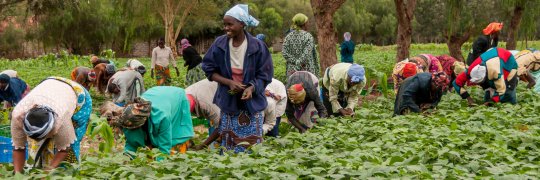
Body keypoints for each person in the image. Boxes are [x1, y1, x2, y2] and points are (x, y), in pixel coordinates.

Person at [201, 4, 273, 153]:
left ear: (242, 24)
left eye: (230, 24)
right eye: (225, 24)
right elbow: (208, 68)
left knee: (251, 147)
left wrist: (252, 87)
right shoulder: (219, 44)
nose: (226, 28)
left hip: (252, 105)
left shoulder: (258, 47)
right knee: (228, 145)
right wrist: (228, 82)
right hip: (229, 103)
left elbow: (265, 75)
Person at [11, 77, 92, 173]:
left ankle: (67, 172)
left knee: (71, 144)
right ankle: (40, 167)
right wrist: (17, 175)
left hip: (77, 95)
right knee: (38, 146)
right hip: (49, 86)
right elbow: (18, 148)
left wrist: (47, 173)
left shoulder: (62, 119)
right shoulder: (18, 115)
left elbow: (64, 149)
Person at [100, 86, 194, 156]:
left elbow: (164, 147)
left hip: (175, 97)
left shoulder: (161, 117)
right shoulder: (128, 117)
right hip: (155, 93)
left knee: (176, 134)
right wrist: (127, 160)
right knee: (149, 142)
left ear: (143, 123)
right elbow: (131, 143)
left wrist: (160, 166)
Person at [453, 48, 518, 106]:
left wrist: (490, 102)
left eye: (480, 82)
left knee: (508, 93)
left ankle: (511, 107)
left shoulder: (496, 72)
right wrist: (468, 98)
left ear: (485, 77)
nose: (478, 84)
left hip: (509, 63)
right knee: (488, 95)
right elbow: (456, 83)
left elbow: (501, 90)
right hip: (492, 57)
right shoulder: (471, 71)